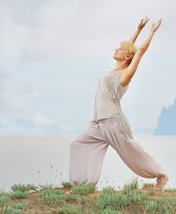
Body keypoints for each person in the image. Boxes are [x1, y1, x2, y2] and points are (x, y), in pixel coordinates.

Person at [69, 17, 168, 191]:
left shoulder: (124, 75)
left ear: (127, 56)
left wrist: (151, 32)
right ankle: (83, 185)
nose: (117, 49)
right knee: (77, 144)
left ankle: (161, 175)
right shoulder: (113, 70)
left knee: (133, 154)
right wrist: (137, 30)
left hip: (114, 124)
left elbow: (139, 52)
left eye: (120, 49)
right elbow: (130, 47)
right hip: (98, 124)